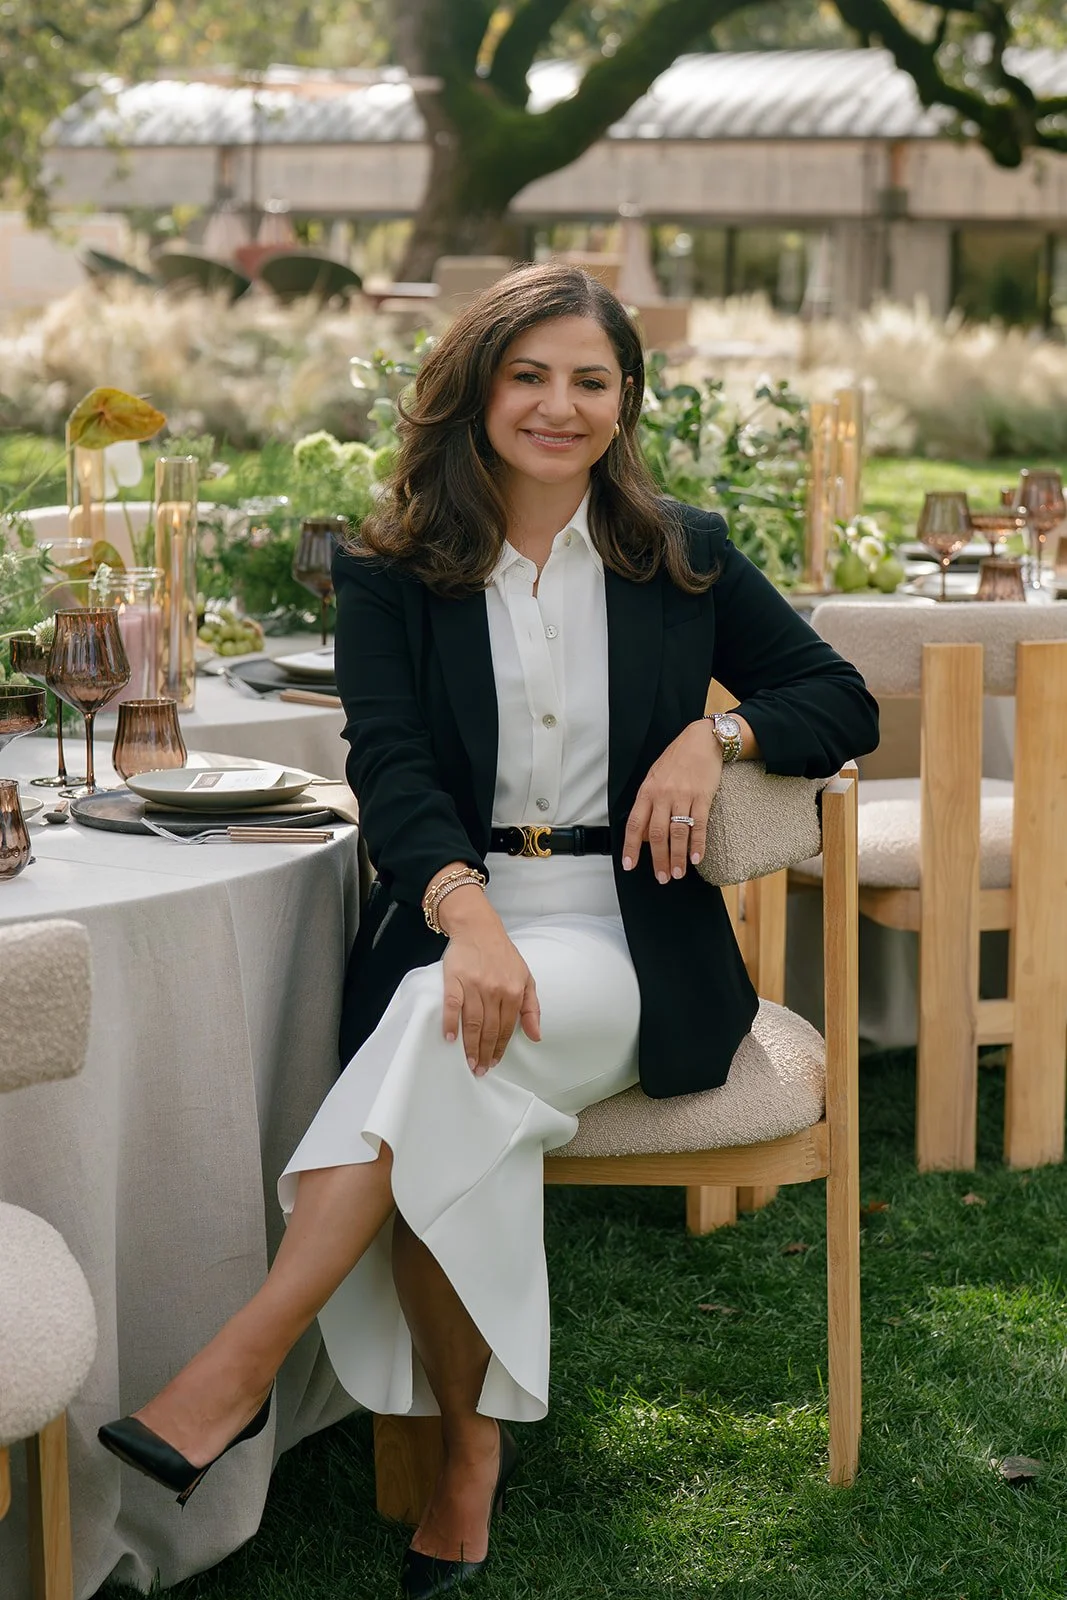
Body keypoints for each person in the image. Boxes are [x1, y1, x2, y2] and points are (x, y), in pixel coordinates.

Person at [98, 263, 879, 1596]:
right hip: (463, 917)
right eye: (529, 375)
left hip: (629, 934)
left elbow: (837, 696)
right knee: (451, 1033)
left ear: (624, 401)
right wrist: (465, 915)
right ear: (475, 390)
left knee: (442, 1038)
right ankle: (460, 1457)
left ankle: (243, 1367)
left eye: (590, 381)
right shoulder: (393, 568)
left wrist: (717, 732)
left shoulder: (680, 552)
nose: (558, 406)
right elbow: (391, 769)